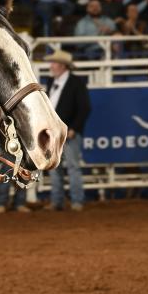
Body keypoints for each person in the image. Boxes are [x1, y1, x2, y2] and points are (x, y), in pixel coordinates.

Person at [43, 50, 90, 211]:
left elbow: (84, 108)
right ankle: (58, 202)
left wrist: (74, 128)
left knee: (72, 166)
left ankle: (76, 201)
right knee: (55, 169)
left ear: (62, 65)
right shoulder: (52, 81)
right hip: (53, 133)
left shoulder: (76, 82)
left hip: (69, 133)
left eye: (54, 63)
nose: (51, 66)